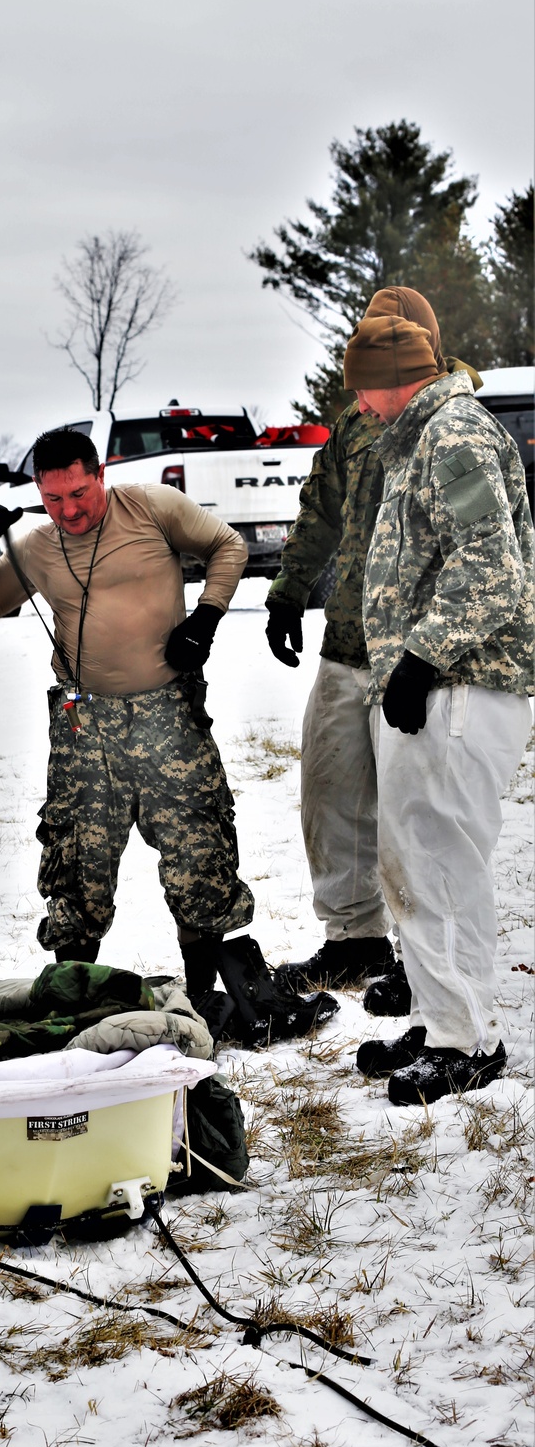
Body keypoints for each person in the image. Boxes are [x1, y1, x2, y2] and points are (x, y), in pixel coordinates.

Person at [0, 426, 334, 1045]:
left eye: (78, 492)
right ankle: (72, 994)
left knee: (199, 852)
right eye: (53, 499)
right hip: (87, 725)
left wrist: (206, 619)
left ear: (98, 473)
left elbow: (228, 547)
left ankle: (211, 995)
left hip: (169, 714)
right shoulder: (36, 547)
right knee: (76, 861)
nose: (69, 510)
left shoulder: (154, 507)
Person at [267, 288, 483, 1017]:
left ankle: (427, 961)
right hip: (346, 642)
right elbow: (319, 511)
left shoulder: (448, 425)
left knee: (412, 813)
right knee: (330, 795)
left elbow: (483, 549)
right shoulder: (354, 425)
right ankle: (354, 937)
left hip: (417, 653)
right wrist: (289, 593)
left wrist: (433, 653)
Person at [339, 316, 534, 1105]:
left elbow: (492, 561)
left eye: (360, 386)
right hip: (431, 687)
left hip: (459, 684)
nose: (357, 405)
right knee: (413, 858)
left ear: (392, 375)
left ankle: (470, 1040)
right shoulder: (418, 438)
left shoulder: (453, 433)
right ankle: (440, 1014)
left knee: (443, 860)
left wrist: (420, 659)